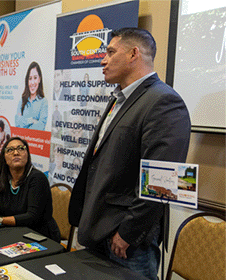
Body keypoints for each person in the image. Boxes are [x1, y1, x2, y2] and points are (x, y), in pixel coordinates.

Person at [68, 28, 191, 280]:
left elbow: (162, 183)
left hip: (128, 242)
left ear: (134, 53)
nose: (103, 60)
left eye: (111, 52)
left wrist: (127, 233)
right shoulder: (118, 99)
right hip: (100, 229)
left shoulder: (164, 102)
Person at [0, 137, 61, 242]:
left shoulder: (37, 178)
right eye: (10, 150)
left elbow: (32, 217)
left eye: (21, 148)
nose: (16, 153)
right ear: (4, 157)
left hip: (39, 236)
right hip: (12, 233)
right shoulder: (2, 177)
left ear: (27, 154)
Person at [15, 62, 48, 130]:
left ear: (39, 79)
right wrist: (32, 120)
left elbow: (41, 127)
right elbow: (17, 123)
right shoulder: (22, 100)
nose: (32, 82)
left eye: (35, 78)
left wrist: (24, 123)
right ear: (27, 81)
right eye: (30, 78)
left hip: (35, 140)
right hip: (22, 140)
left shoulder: (43, 102)